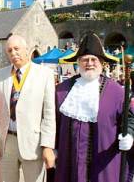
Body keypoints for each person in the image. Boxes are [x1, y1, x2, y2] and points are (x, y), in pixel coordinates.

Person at [54, 32, 134, 182]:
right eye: (85, 60)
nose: (89, 63)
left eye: (94, 59)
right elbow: (52, 122)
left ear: (102, 62)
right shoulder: (62, 90)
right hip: (69, 162)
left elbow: (130, 118)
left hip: (104, 165)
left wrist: (129, 134)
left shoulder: (116, 91)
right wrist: (51, 146)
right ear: (78, 62)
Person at [0, 34, 56, 182]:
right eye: (9, 50)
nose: (13, 53)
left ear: (27, 50)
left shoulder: (45, 74)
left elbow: (49, 114)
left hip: (34, 144)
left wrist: (48, 146)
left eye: (17, 49)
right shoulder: (1, 74)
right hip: (6, 142)